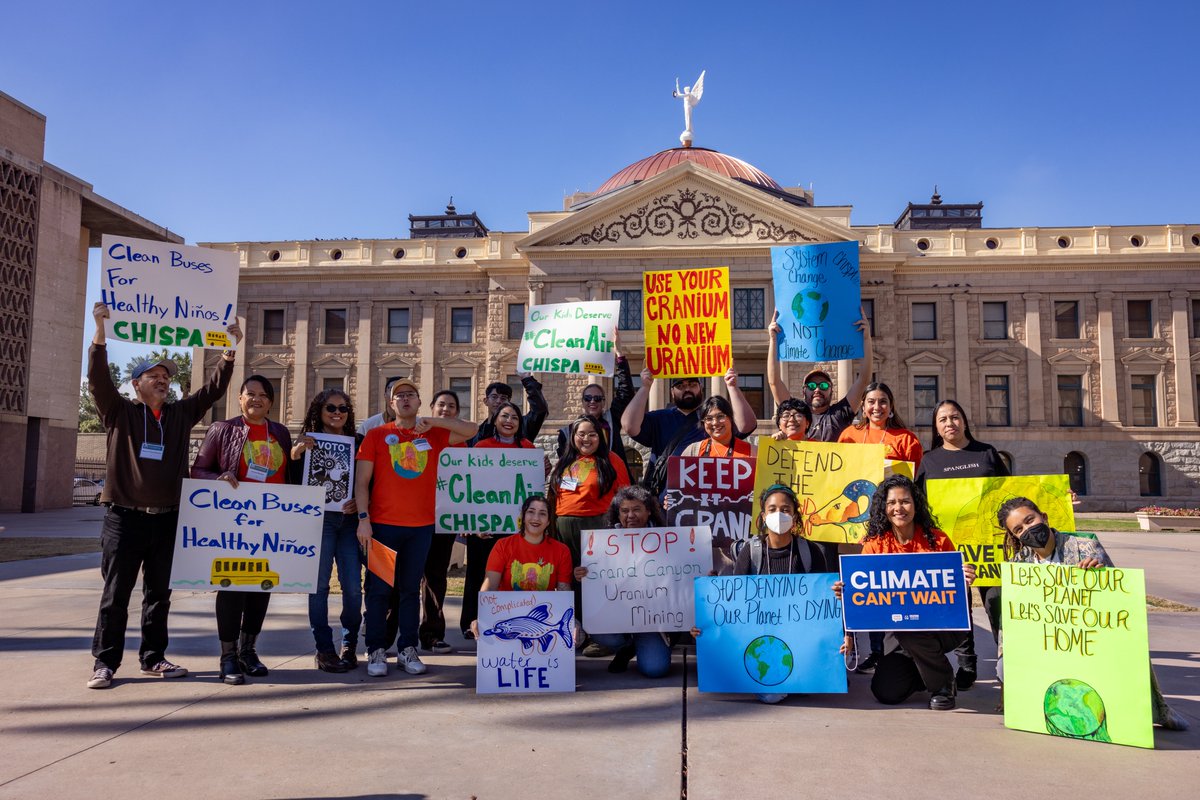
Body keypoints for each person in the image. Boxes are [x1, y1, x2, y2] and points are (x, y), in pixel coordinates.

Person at [85, 302, 240, 690]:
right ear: (136, 384)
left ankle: (153, 658)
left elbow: (213, 389)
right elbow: (98, 380)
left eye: (165, 376)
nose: (162, 380)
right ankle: (105, 664)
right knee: (116, 594)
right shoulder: (119, 413)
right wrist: (100, 331)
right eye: (153, 375)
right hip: (124, 518)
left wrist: (229, 350)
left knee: (159, 595)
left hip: (168, 517)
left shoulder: (179, 415)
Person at [999, 497, 1189, 731]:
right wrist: (1004, 654)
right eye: (1019, 529)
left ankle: (1156, 710)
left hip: (1087, 636)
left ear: (1044, 517)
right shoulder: (1019, 564)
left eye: (1030, 520)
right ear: (1015, 536)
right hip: (1046, 641)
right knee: (1003, 667)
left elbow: (1117, 602)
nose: (1028, 529)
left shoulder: (1084, 547)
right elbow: (1012, 617)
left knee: (1130, 653)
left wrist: (1100, 574)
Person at [355, 378, 478, 678]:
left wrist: (433, 421)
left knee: (410, 590)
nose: (405, 399)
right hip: (383, 526)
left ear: (419, 401)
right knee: (379, 591)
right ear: (390, 403)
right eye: (399, 396)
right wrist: (363, 520)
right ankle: (376, 650)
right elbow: (361, 483)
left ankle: (408, 648)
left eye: (411, 394)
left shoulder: (434, 434)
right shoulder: (376, 435)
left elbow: (472, 429)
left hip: (421, 528)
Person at [836, 475, 975, 710]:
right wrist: (847, 591)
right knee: (886, 692)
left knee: (910, 631)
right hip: (898, 630)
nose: (898, 508)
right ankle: (926, 668)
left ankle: (942, 685)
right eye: (892, 503)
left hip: (941, 628)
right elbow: (865, 592)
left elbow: (954, 586)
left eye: (905, 502)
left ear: (916, 504)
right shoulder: (875, 545)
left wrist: (965, 579)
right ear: (884, 507)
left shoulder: (938, 540)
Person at [190, 375, 292, 685]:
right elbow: (198, 470)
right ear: (239, 398)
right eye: (250, 394)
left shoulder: (281, 434)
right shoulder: (222, 429)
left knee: (262, 585)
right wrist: (217, 479)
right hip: (234, 524)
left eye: (263, 395)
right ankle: (228, 655)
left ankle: (249, 651)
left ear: (271, 402)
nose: (256, 399)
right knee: (232, 585)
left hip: (271, 524)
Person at [694, 484, 834, 703]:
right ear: (763, 515)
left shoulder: (810, 552)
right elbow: (735, 601)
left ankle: (796, 678)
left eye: (785, 509)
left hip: (798, 637)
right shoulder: (752, 551)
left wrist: (836, 594)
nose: (779, 514)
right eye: (772, 509)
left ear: (795, 515)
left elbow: (823, 606)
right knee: (771, 694)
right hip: (762, 639)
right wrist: (708, 617)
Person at [916, 399, 1009, 690]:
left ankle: (1008, 660)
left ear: (964, 420)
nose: (949, 423)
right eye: (942, 420)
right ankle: (967, 664)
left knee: (996, 602)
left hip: (989, 547)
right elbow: (919, 505)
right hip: (949, 548)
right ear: (936, 428)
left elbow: (1012, 494)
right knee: (959, 606)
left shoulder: (987, 454)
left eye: (954, 417)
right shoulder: (930, 460)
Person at [459, 401, 547, 640]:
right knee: (480, 573)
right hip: (485, 527)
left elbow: (532, 486)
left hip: (517, 529)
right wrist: (474, 523)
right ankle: (472, 622)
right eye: (505, 416)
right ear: (495, 420)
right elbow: (471, 488)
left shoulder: (529, 448)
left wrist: (543, 469)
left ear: (519, 424)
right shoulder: (481, 447)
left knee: (513, 575)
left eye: (515, 418)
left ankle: (513, 621)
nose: (509, 421)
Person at [289, 389, 363, 673]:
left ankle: (349, 644)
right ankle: (324, 649)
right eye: (330, 407)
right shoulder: (307, 442)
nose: (337, 412)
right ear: (318, 411)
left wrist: (360, 501)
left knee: (353, 588)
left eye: (343, 408)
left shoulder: (358, 442)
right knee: (318, 587)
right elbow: (292, 480)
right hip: (318, 521)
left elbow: (369, 480)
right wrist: (297, 453)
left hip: (349, 522)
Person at [551, 415, 631, 652]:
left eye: (592, 434)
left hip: (598, 527)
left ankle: (601, 636)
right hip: (564, 528)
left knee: (596, 581)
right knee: (570, 579)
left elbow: (625, 495)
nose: (586, 439)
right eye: (581, 434)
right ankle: (576, 631)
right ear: (573, 437)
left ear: (601, 437)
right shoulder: (566, 461)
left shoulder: (611, 460)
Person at [576, 486, 675, 677]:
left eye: (637, 509)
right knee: (599, 632)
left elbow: (682, 577)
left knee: (656, 669)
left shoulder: (669, 539)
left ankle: (649, 646)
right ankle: (627, 646)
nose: (631, 515)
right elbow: (594, 578)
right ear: (617, 513)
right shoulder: (603, 542)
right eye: (625, 510)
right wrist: (581, 573)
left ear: (648, 511)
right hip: (618, 618)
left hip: (652, 622)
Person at [622, 365, 756, 496]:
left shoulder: (713, 422)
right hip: (666, 500)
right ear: (672, 392)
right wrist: (645, 387)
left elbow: (746, 426)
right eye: (680, 386)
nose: (687, 389)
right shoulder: (659, 418)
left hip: (709, 499)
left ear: (701, 388)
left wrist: (732, 387)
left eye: (692, 385)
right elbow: (629, 426)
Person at [767, 308, 873, 443]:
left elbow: (864, 379)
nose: (817, 389)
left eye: (823, 385)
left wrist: (866, 338)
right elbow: (774, 381)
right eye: (811, 386)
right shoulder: (794, 413)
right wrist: (773, 340)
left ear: (831, 390)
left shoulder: (840, 414)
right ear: (804, 391)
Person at [418, 389, 466, 654]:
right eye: (441, 405)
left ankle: (432, 634)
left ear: (457, 412)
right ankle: (386, 634)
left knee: (436, 577)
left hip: (443, 519)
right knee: (400, 577)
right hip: (412, 516)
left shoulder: (459, 439)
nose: (445, 410)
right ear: (431, 407)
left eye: (451, 406)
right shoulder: (416, 433)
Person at [556, 340, 635, 468]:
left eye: (597, 398)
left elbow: (626, 392)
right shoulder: (567, 433)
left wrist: (620, 356)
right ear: (582, 402)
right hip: (584, 484)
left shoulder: (611, 420)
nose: (592, 401)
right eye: (588, 398)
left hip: (612, 481)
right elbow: (565, 467)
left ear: (604, 402)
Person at [837, 382, 923, 472]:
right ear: (863, 406)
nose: (877, 407)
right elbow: (838, 471)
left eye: (883, 402)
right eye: (871, 402)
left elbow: (916, 479)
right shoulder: (849, 435)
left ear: (891, 406)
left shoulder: (907, 440)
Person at [468, 375, 549, 446]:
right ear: (486, 401)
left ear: (509, 402)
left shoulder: (522, 426)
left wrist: (527, 380)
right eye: (494, 397)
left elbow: (540, 410)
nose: (498, 401)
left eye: (503, 398)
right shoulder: (474, 434)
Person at [680, 394, 755, 459]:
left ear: (730, 418)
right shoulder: (692, 452)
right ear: (703, 423)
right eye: (709, 418)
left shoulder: (753, 452)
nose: (715, 423)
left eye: (720, 416)